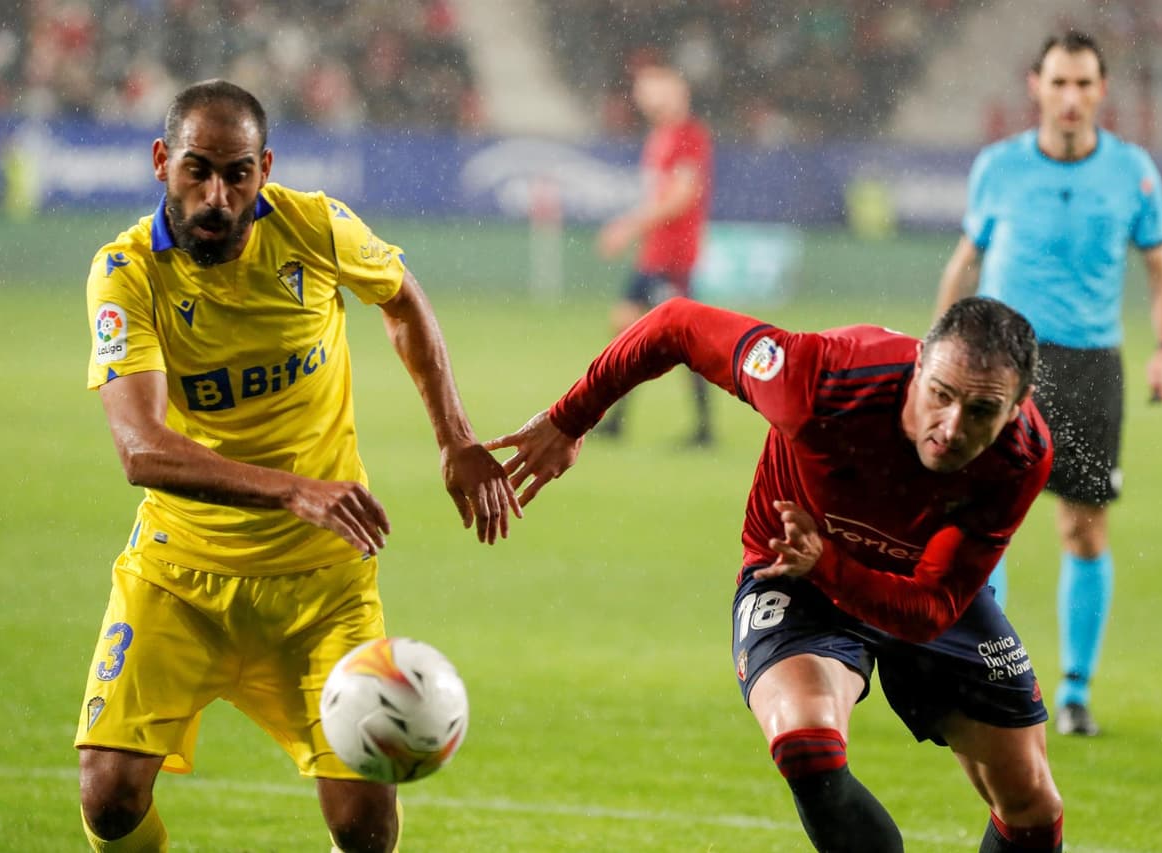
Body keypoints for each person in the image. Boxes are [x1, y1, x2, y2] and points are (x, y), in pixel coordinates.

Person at [74, 80, 520, 853]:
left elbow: (403, 299)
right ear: (160, 162)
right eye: (197, 170)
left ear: (265, 168)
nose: (217, 195)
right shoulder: (127, 273)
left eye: (238, 173)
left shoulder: (314, 226)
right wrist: (296, 491)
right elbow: (140, 447)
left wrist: (454, 437)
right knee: (109, 797)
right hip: (179, 577)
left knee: (363, 825)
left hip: (324, 588)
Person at [488, 296, 1065, 852]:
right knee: (804, 742)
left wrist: (832, 563)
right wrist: (570, 419)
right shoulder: (819, 381)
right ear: (918, 368)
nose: (953, 426)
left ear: (1017, 407)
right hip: (795, 575)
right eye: (940, 395)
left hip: (910, 586)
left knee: (1031, 805)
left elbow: (932, 610)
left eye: (983, 411)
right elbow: (676, 325)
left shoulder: (1021, 457)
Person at [934, 30, 1162, 736]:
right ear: (1035, 86)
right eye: (1059, 83)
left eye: (1083, 84)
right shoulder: (999, 167)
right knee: (985, 522)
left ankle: (1074, 691)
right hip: (1000, 366)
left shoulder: (1133, 172)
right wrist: (935, 356)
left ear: (1101, 91)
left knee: (1083, 525)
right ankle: (986, 670)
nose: (1070, 97)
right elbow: (966, 262)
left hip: (1090, 366)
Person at [595, 63, 714, 446]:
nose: (642, 95)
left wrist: (628, 226)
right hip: (653, 257)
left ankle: (704, 429)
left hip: (673, 258)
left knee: (681, 341)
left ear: (675, 91)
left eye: (651, 87)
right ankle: (617, 420)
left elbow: (681, 198)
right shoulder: (660, 136)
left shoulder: (688, 137)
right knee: (627, 330)